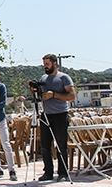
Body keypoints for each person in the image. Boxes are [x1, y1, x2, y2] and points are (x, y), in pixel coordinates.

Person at [32, 53, 75, 182]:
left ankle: (63, 173)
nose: (45, 66)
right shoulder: (43, 78)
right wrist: (34, 91)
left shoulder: (64, 78)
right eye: (44, 64)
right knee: (45, 145)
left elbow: (72, 96)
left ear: (54, 63)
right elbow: (40, 96)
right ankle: (48, 172)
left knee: (61, 145)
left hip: (60, 115)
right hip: (46, 115)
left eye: (47, 64)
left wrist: (54, 95)